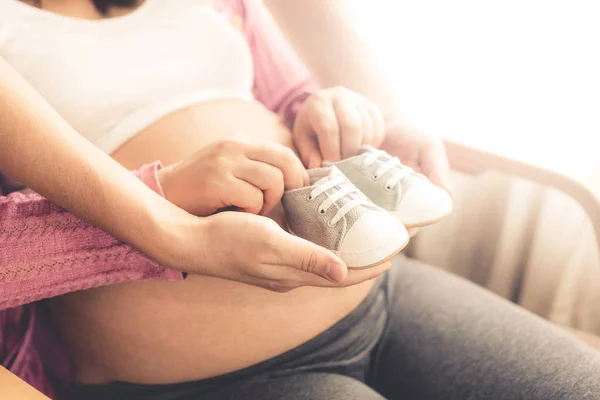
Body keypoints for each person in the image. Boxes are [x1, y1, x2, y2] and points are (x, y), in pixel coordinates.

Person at [1, 1, 599, 400]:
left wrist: (339, 114)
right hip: (202, 380)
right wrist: (164, 196)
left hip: (382, 299)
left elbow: (290, 99)